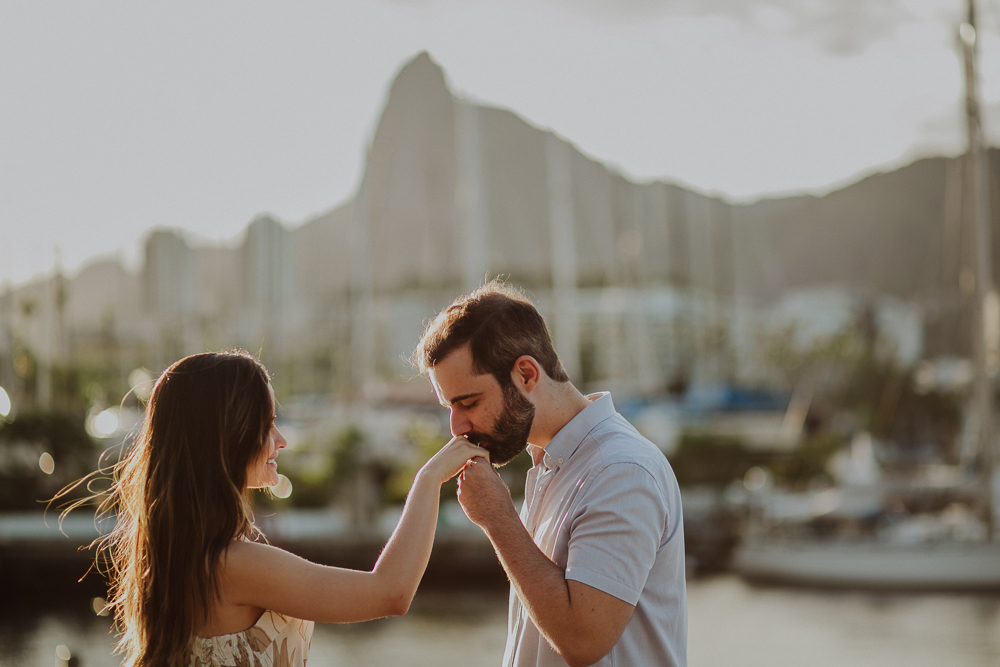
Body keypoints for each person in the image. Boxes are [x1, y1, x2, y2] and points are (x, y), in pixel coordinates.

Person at [62, 350, 484, 667]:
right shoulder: (230, 563)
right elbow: (390, 592)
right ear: (226, 437)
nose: (280, 440)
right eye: (266, 424)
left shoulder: (176, 553)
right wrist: (429, 480)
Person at [413, 280, 687, 667]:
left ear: (526, 374)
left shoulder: (621, 470)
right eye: (449, 408)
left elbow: (583, 640)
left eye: (469, 402)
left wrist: (497, 518)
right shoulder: (550, 464)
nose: (457, 427)